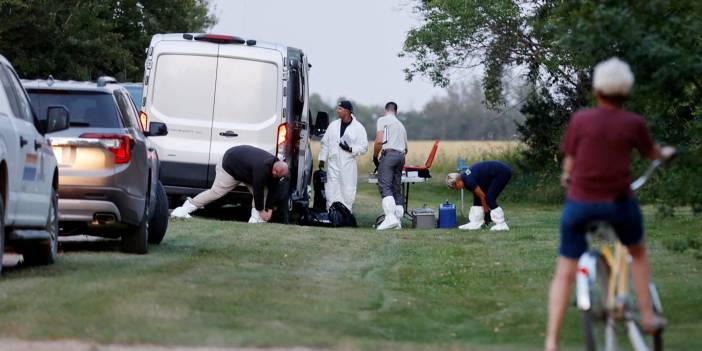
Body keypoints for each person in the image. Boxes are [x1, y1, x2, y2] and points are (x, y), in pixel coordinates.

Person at [544, 58, 673, 351]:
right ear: (625, 91)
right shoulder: (634, 123)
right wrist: (665, 154)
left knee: (565, 271)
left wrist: (567, 176)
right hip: (618, 204)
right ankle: (649, 317)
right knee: (637, 252)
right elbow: (652, 153)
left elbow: (570, 162)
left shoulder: (580, 120)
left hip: (580, 204)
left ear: (598, 90)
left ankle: (551, 342)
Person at [170, 145, 289, 223]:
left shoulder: (277, 170)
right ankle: (183, 210)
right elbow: (257, 191)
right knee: (216, 192)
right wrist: (262, 211)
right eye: (279, 176)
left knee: (264, 193)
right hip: (229, 166)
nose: (280, 179)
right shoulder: (261, 169)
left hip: (246, 171)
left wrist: (269, 209)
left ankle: (255, 221)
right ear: (274, 171)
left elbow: (273, 189)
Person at [318, 100, 368, 212]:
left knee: (348, 189)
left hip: (348, 164)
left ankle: (346, 213)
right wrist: (322, 159)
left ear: (347, 111)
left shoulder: (358, 128)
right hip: (333, 163)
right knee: (331, 188)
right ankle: (331, 213)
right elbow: (325, 143)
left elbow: (364, 147)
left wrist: (350, 149)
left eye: (340, 109)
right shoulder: (333, 125)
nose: (337, 110)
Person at [445, 160, 512, 231]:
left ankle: (501, 224)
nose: (456, 189)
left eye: (454, 186)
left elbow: (482, 196)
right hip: (495, 173)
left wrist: (487, 213)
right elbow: (478, 196)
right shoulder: (465, 178)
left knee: (490, 198)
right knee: (477, 199)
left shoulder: (468, 180)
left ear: (457, 180)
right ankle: (476, 222)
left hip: (502, 172)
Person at [374, 102, 408, 230]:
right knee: (396, 189)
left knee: (385, 186)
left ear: (385, 110)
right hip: (401, 157)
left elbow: (378, 141)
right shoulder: (401, 125)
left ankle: (390, 218)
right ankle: (397, 221)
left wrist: (374, 156)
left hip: (389, 155)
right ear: (396, 112)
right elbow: (406, 148)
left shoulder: (383, 120)